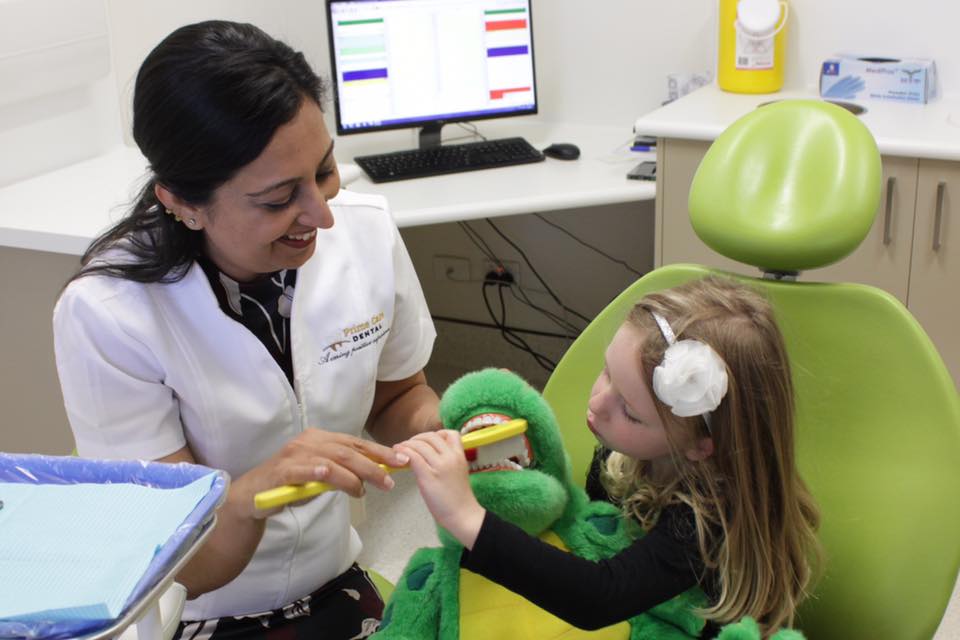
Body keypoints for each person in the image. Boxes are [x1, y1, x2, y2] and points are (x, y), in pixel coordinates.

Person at [53, 20, 440, 640]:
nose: (321, 215)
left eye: (325, 171)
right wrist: (258, 492)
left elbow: (398, 396)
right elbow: (171, 566)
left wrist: (448, 433)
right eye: (278, 198)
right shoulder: (109, 313)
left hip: (336, 579)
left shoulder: (365, 230)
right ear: (182, 201)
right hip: (198, 612)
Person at [396, 276, 821, 637]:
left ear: (700, 445)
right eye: (606, 373)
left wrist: (466, 517)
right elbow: (581, 527)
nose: (598, 403)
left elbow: (599, 596)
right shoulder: (619, 458)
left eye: (630, 413)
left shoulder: (706, 519)